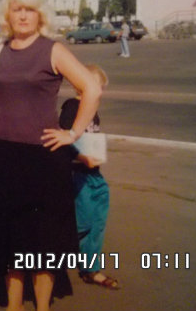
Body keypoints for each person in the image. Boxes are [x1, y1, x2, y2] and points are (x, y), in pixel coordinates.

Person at [0, 0, 101, 311]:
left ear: (40, 15)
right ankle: (14, 307)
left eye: (30, 10)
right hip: (2, 157)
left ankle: (42, 307)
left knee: (42, 241)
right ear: (7, 15)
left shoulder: (52, 51)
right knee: (11, 238)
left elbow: (92, 88)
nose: (23, 16)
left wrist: (72, 133)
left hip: (43, 161)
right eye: (17, 9)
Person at [59, 65, 119, 290]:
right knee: (81, 223)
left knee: (97, 221)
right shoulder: (71, 107)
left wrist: (96, 154)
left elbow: (91, 139)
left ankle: (90, 269)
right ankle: (50, 260)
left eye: (102, 88)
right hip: (76, 174)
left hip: (93, 174)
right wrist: (81, 157)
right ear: (80, 85)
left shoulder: (93, 110)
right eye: (96, 87)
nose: (100, 92)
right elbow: (63, 139)